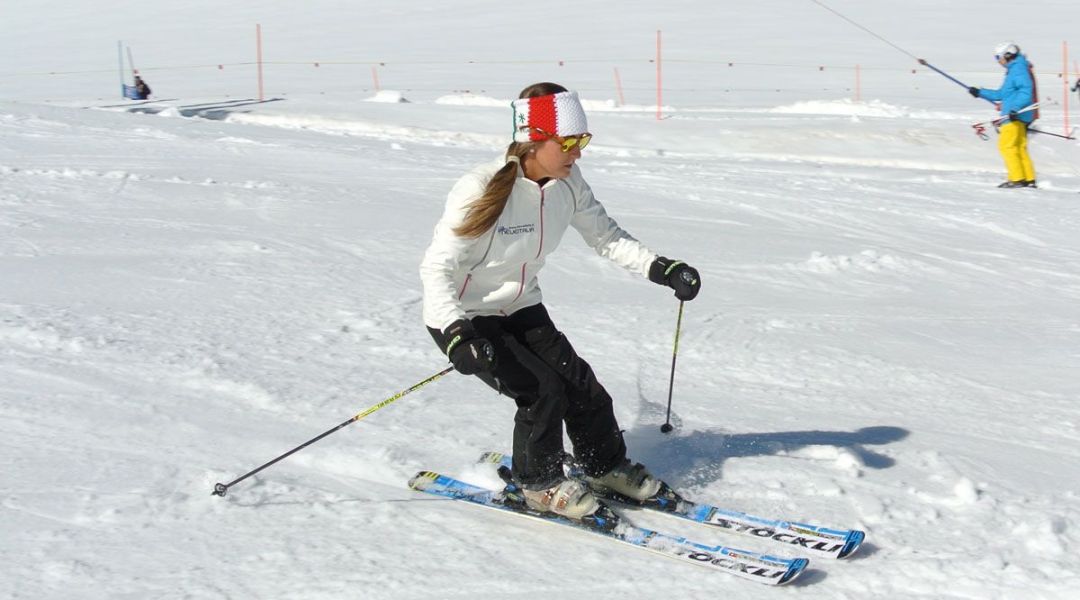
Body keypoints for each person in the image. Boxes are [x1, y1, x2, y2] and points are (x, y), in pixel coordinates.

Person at [419, 82, 701, 521]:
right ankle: (538, 483)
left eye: (582, 140)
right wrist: (457, 334)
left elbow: (605, 235)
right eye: (569, 141)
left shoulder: (568, 184)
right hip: (466, 317)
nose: (578, 152)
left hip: (521, 307)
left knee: (582, 387)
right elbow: (437, 270)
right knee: (541, 391)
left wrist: (659, 267)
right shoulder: (480, 189)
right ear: (533, 140)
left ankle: (604, 467)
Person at [967, 42, 1037, 188]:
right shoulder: (1016, 69)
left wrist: (1014, 109)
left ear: (1007, 55)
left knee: (1006, 146)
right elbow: (1002, 94)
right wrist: (980, 92)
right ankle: (1028, 179)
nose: (998, 61)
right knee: (1018, 147)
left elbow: (1026, 91)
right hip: (1017, 116)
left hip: (1013, 116)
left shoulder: (1017, 69)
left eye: (998, 57)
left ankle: (1017, 179)